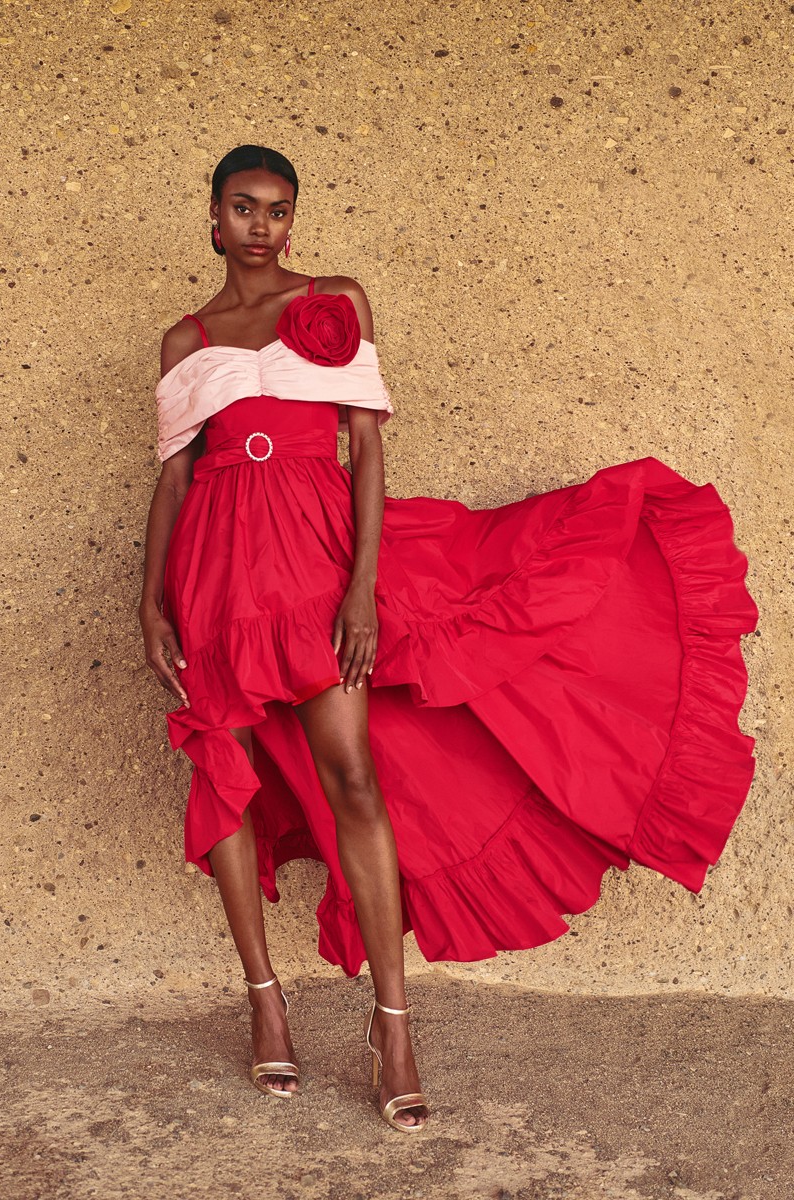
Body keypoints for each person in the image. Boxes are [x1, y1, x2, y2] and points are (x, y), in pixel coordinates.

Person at [140, 144, 758, 1134]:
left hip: (313, 554)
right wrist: (150, 602)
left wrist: (361, 593)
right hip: (213, 564)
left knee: (350, 774)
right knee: (224, 770)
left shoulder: (334, 300)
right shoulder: (184, 339)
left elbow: (367, 450)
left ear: (291, 222)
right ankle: (266, 1003)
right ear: (212, 219)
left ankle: (392, 1025)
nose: (262, 225)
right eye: (243, 208)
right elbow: (173, 479)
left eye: (278, 209)